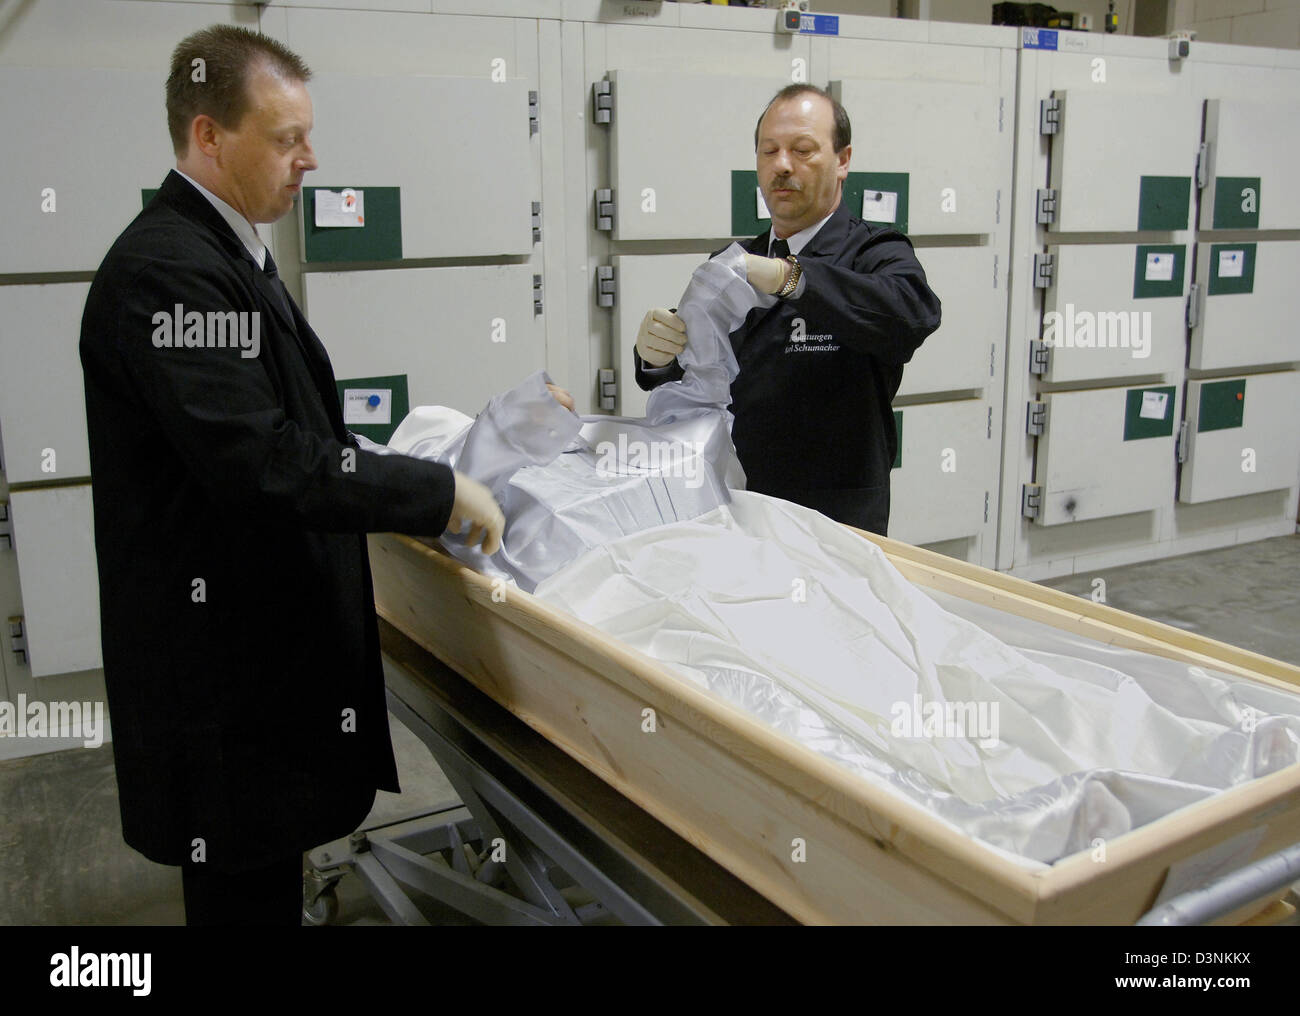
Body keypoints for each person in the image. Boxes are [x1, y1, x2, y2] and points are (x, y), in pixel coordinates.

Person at [79, 25, 513, 925]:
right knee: (241, 893)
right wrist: (432, 494)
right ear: (208, 136)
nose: (310, 159)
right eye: (285, 140)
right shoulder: (166, 273)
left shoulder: (229, 251)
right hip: (218, 678)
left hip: (253, 663)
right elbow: (261, 459)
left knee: (262, 879)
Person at [634, 84, 941, 536]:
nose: (781, 165)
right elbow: (698, 380)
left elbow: (910, 314)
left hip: (832, 523)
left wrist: (791, 277)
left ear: (843, 160)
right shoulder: (735, 261)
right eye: (769, 151)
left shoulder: (875, 251)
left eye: (802, 150)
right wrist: (656, 357)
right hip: (730, 507)